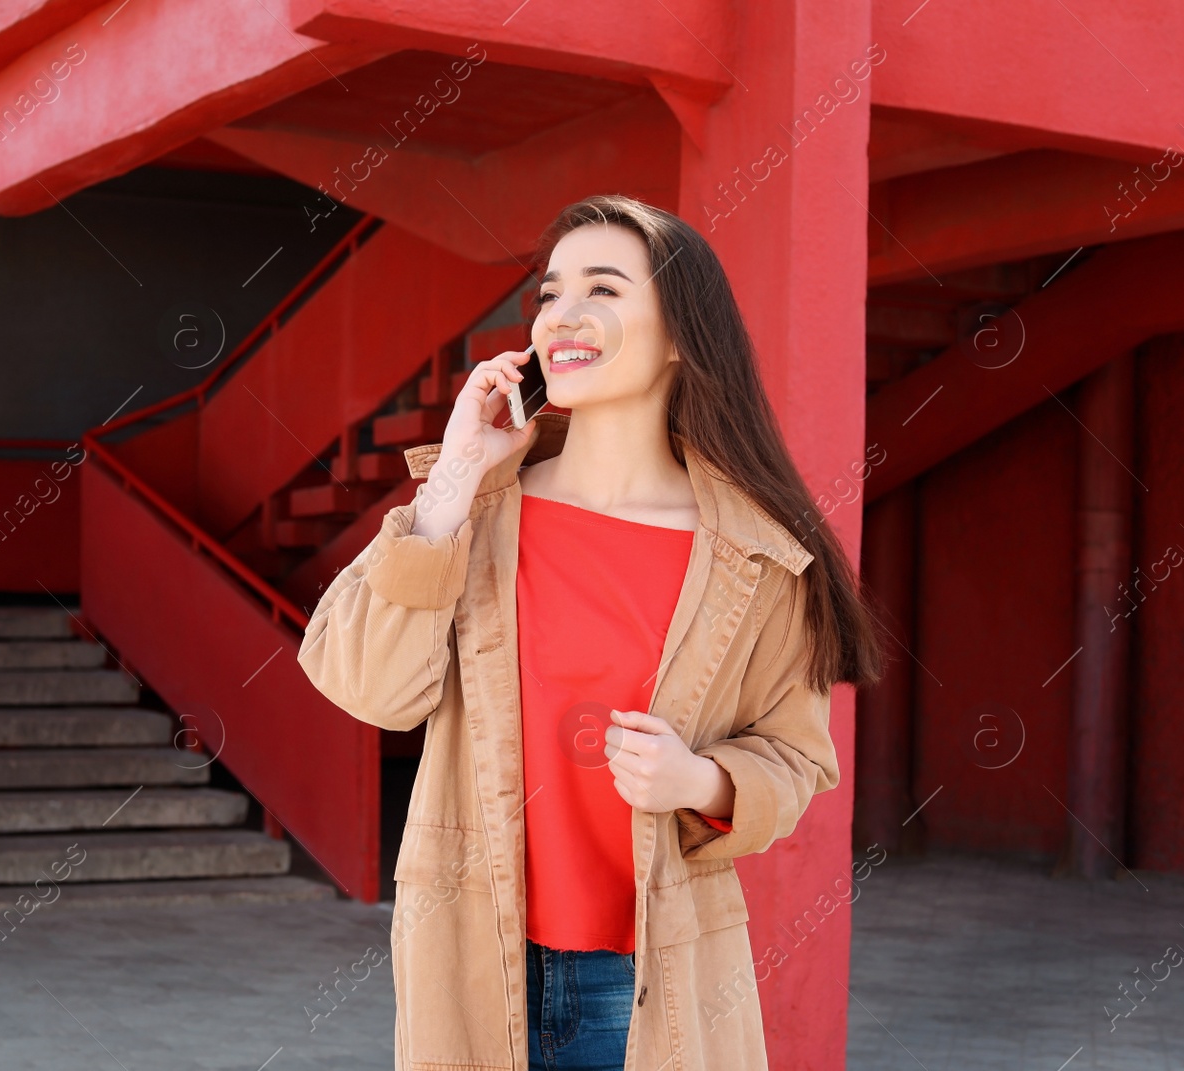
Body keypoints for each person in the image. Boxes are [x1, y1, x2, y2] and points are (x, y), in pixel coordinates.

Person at [297, 194, 884, 1071]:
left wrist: (703, 777)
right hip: (473, 960)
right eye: (548, 294)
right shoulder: (475, 513)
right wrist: (454, 478)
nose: (560, 316)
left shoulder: (760, 558)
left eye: (602, 289)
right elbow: (368, 687)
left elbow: (797, 761)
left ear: (683, 336)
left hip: (651, 977)